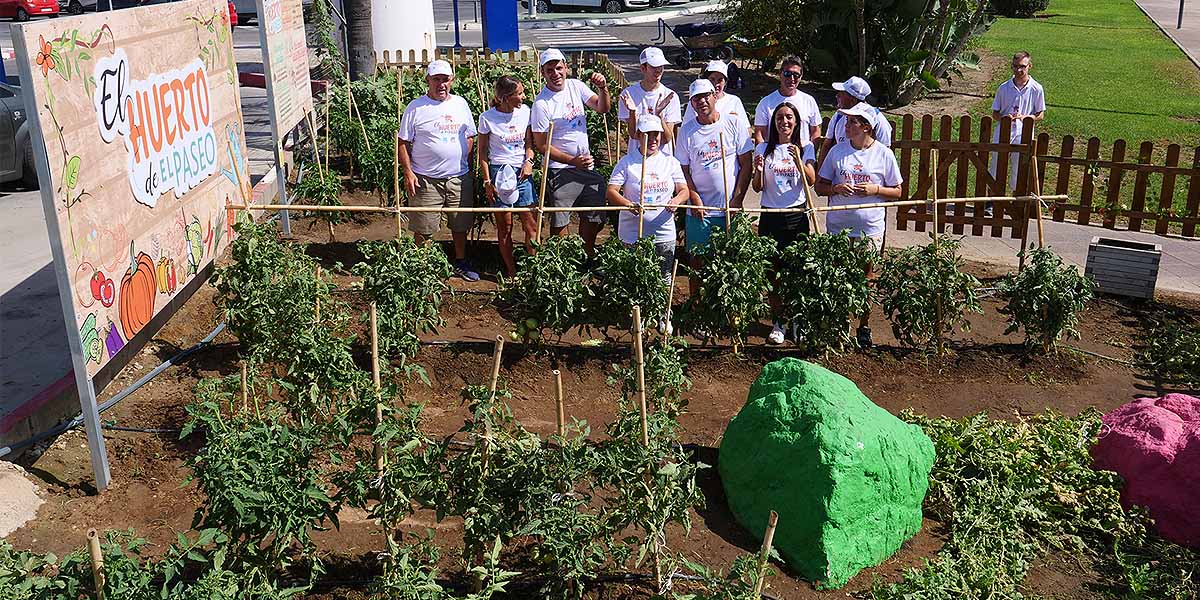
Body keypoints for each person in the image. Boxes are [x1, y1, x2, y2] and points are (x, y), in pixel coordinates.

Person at [815, 104, 903, 348]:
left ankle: (863, 326)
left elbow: (897, 191)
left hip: (870, 228)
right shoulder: (837, 152)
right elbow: (819, 186)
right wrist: (836, 188)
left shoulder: (883, 154)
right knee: (839, 275)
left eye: (852, 122)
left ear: (866, 126)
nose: (846, 125)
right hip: (839, 228)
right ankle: (841, 322)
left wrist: (875, 190)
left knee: (867, 278)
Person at [606, 115, 690, 332]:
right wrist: (628, 204)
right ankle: (640, 315)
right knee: (637, 274)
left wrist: (676, 201)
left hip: (663, 231)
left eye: (656, 135)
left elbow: (684, 190)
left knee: (663, 276)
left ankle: (664, 315)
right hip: (634, 232)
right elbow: (611, 192)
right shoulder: (628, 162)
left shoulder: (670, 162)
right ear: (638, 136)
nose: (653, 139)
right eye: (648, 135)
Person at [398, 59, 479, 281]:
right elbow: (403, 142)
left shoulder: (460, 104)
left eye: (445, 80)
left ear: (451, 80)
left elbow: (470, 135)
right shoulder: (416, 107)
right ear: (428, 81)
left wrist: (462, 158)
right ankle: (421, 268)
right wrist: (408, 172)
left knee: (460, 224)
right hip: (426, 178)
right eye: (437, 80)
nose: (441, 84)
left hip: (458, 177)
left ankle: (460, 261)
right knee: (424, 226)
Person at [530, 48, 612, 256]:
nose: (555, 73)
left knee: (593, 214)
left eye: (559, 68)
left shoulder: (576, 86)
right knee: (560, 220)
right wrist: (572, 161)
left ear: (566, 68)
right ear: (543, 72)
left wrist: (603, 88)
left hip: (586, 166)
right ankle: (563, 262)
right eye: (550, 70)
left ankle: (586, 255)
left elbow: (602, 108)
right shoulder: (542, 104)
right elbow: (541, 145)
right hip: (560, 170)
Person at [675, 79, 753, 297]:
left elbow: (746, 163)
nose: (702, 101)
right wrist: (694, 198)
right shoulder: (687, 132)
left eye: (705, 96)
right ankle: (698, 307)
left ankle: (725, 309)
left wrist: (738, 199)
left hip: (728, 208)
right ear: (691, 103)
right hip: (699, 210)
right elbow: (683, 169)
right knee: (697, 260)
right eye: (696, 99)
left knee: (728, 261)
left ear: (714, 96)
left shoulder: (733, 124)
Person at [752, 102, 816, 345]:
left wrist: (799, 160)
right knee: (773, 273)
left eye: (789, 117)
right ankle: (779, 321)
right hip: (770, 215)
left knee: (796, 272)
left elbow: (811, 181)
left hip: (795, 216)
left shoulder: (805, 147)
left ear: (796, 122)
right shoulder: (763, 148)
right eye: (780, 117)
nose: (784, 122)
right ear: (773, 122)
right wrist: (758, 170)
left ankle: (798, 319)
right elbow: (758, 187)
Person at [478, 76, 537, 278]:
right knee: (506, 226)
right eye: (519, 93)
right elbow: (483, 153)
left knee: (531, 224)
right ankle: (511, 271)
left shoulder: (526, 112)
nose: (523, 96)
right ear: (505, 97)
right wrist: (487, 181)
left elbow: (529, 144)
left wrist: (529, 162)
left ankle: (532, 270)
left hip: (522, 172)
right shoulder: (487, 118)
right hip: (499, 173)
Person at [989, 50, 1046, 210]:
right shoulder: (1004, 88)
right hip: (1004, 132)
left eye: (1022, 67)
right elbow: (995, 112)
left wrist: (1026, 118)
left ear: (1029, 66)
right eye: (1015, 67)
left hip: (1024, 133)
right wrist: (1005, 118)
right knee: (996, 166)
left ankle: (1015, 201)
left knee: (1019, 167)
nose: (1018, 70)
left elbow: (1040, 114)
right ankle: (991, 201)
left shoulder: (1036, 88)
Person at [618, 47, 681, 156]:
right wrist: (632, 112)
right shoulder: (628, 95)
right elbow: (633, 135)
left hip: (662, 161)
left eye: (661, 66)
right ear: (643, 68)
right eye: (654, 67)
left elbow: (667, 138)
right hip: (637, 159)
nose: (658, 71)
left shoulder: (671, 96)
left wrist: (659, 115)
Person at [819, 76, 892, 167]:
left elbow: (884, 155)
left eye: (841, 94)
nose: (837, 96)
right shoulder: (838, 116)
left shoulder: (878, 120)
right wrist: (819, 175)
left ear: (852, 100)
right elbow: (826, 146)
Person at [753, 55, 822, 146]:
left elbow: (815, 131)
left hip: (802, 157)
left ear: (801, 77)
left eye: (796, 75)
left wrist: (810, 155)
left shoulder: (809, 101)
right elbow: (759, 134)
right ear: (780, 74)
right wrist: (764, 154)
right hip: (774, 157)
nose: (792, 79)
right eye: (787, 74)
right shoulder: (766, 103)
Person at [682, 60, 750, 134]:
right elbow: (686, 129)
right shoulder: (697, 102)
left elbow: (747, 130)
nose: (716, 84)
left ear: (725, 82)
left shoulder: (734, 101)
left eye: (720, 80)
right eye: (712, 79)